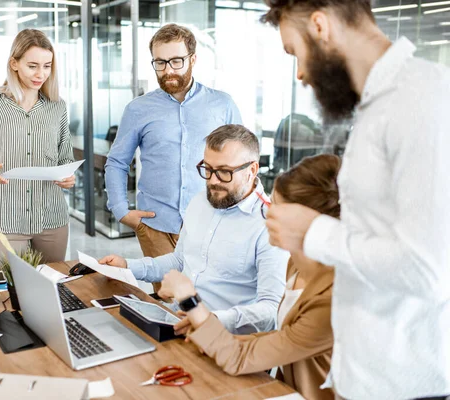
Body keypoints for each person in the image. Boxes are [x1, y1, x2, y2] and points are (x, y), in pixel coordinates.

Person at [260, 1, 450, 399]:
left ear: (320, 26)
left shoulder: (420, 99)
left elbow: (427, 269)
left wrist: (314, 232)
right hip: (361, 381)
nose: (299, 74)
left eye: (295, 52)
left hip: (403, 389)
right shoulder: (376, 108)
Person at [159, 154, 341, 400]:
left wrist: (188, 298)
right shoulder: (296, 266)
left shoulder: (332, 300)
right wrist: (210, 327)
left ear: (308, 222)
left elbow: (238, 358)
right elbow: (284, 338)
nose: (266, 214)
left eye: (276, 207)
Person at [101, 125, 287, 335]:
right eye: (207, 169)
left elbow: (272, 310)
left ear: (252, 170)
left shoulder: (270, 224)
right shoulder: (201, 201)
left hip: (223, 339)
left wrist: (207, 319)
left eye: (224, 172)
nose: (213, 181)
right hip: (176, 320)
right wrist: (126, 267)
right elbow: (180, 261)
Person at [105, 24, 243, 292]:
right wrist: (121, 210)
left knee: (205, 298)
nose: (168, 70)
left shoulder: (222, 105)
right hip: (156, 224)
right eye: (160, 62)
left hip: (209, 223)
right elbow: (117, 161)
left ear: (193, 59)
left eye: (176, 61)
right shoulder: (138, 109)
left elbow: (241, 164)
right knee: (168, 302)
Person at [0, 29, 75, 264]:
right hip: (7, 218)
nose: (41, 74)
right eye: (32, 65)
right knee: (5, 297)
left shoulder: (57, 106)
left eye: (47, 66)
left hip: (52, 219)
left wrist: (68, 176)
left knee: (50, 290)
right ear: (14, 63)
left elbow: (65, 158)